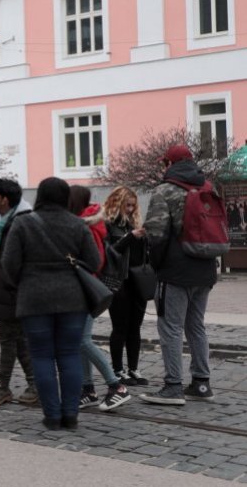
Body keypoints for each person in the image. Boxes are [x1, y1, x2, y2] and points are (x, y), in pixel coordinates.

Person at [2, 177, 101, 430]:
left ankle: (52, 417)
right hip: (72, 299)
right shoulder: (77, 225)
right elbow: (94, 260)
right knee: (69, 355)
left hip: (34, 299)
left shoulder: (23, 223)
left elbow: (9, 265)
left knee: (41, 356)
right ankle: (71, 415)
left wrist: (23, 283)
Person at [140, 144, 218, 405]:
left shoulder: (165, 190)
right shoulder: (208, 187)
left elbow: (156, 233)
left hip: (175, 270)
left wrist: (157, 265)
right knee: (196, 325)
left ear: (169, 164)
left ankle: (173, 386)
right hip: (206, 267)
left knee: (171, 327)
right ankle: (202, 384)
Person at [68, 185, 132, 412]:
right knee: (79, 341)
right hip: (85, 289)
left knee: (83, 340)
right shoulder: (89, 222)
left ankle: (117, 387)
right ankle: (88, 390)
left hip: (85, 290)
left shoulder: (85, 226)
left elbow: (93, 261)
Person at [0, 178, 38, 408]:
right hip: (2, 290)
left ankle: (1, 386)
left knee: (8, 339)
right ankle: (36, 384)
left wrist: (12, 286)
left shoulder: (21, 221)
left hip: (14, 291)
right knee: (18, 339)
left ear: (5, 199)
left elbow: (19, 261)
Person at [103, 186, 149, 386]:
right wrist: (130, 237)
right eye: (127, 205)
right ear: (117, 203)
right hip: (117, 281)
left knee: (135, 327)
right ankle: (118, 370)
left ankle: (133, 369)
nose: (130, 209)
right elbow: (110, 253)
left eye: (133, 205)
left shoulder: (134, 223)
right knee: (120, 327)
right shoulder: (108, 224)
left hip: (137, 281)